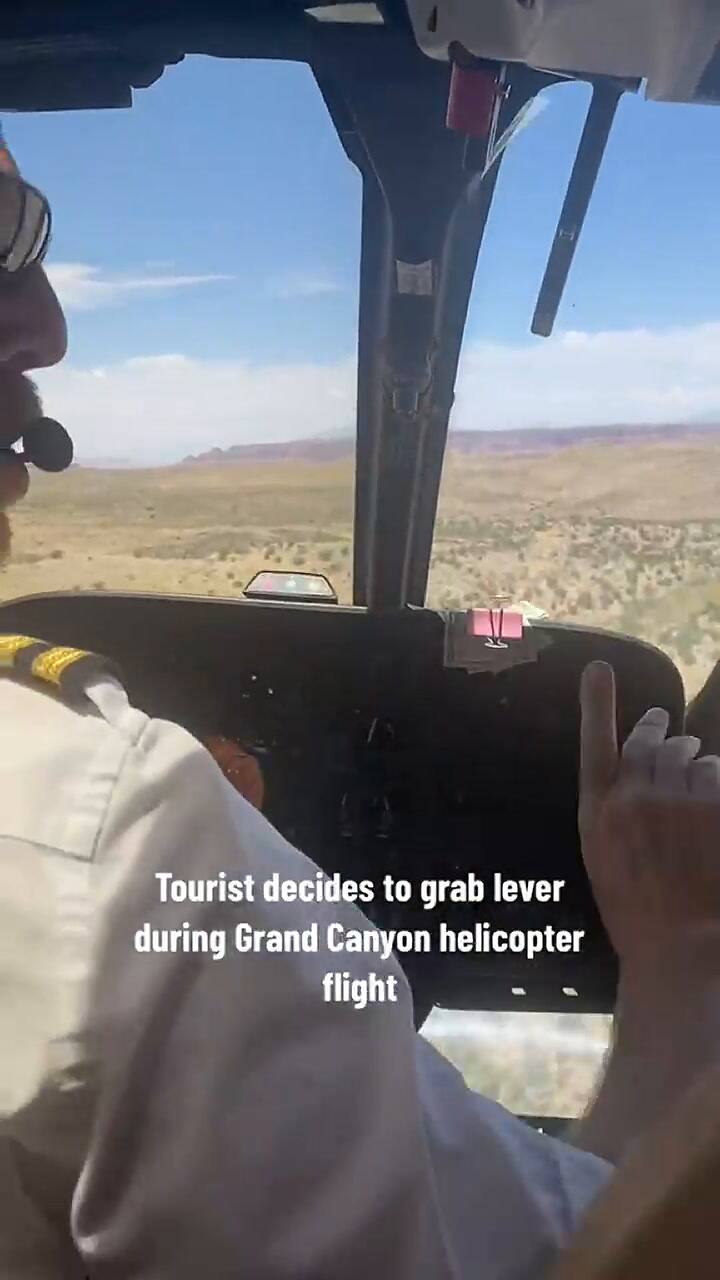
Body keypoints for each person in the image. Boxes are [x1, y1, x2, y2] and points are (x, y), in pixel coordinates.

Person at [2, 125, 720, 1280]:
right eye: (3, 236)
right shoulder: (104, 833)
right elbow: (581, 1255)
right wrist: (684, 954)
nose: (47, 326)